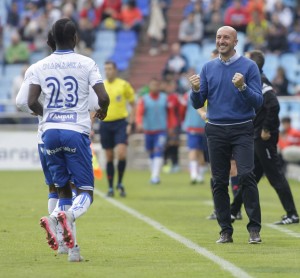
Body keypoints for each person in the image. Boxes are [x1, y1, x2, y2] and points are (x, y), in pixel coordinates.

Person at [28, 18, 110, 261]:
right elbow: (102, 96)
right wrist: (102, 111)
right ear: (75, 38)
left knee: (62, 189)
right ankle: (62, 217)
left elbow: (31, 101)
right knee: (85, 191)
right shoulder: (86, 63)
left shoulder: (40, 65)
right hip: (75, 130)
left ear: (51, 39)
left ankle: (71, 251)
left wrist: (51, 115)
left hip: (49, 133)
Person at [189, 26, 263, 244]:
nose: (221, 41)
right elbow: (198, 102)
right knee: (219, 181)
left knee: (247, 175)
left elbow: (258, 102)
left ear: (236, 42)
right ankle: (225, 230)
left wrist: (243, 87)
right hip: (216, 129)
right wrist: (194, 90)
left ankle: (254, 228)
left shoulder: (249, 67)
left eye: (226, 38)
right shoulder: (208, 67)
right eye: (219, 37)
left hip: (242, 127)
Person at [230, 50, 299, 225]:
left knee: (275, 175)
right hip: (257, 135)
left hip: (263, 138)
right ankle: (233, 210)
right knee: (249, 176)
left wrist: (266, 128)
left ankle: (292, 214)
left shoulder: (261, 83)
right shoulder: (255, 81)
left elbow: (273, 104)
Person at [99, 61, 135, 197]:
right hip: (105, 124)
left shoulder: (123, 85)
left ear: (115, 70)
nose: (107, 71)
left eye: (110, 69)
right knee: (109, 156)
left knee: (121, 153)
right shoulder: (101, 86)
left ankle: (119, 183)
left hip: (121, 123)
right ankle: (110, 187)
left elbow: (133, 104)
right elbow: (94, 107)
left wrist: (131, 123)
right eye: (105, 69)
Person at [136, 77, 177, 184]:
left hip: (161, 130)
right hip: (148, 130)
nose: (155, 87)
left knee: (158, 150)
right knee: (150, 152)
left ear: (159, 86)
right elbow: (139, 113)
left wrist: (171, 126)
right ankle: (153, 174)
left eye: (156, 85)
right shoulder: (144, 99)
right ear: (149, 86)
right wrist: (139, 124)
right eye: (153, 85)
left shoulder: (165, 98)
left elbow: (170, 114)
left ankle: (155, 176)